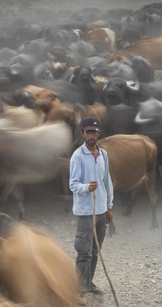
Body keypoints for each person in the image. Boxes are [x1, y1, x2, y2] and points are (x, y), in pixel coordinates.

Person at [69, 116, 114, 295]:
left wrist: (109, 206)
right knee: (84, 251)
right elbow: (73, 185)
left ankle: (88, 283)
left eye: (94, 132)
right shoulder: (77, 156)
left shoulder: (103, 154)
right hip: (86, 211)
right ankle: (78, 287)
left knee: (95, 250)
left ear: (99, 133)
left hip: (101, 210)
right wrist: (87, 187)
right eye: (88, 132)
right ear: (82, 133)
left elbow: (107, 181)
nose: (91, 136)